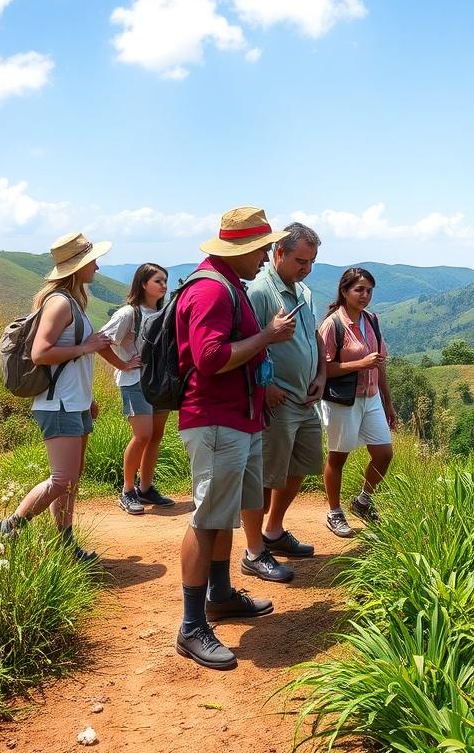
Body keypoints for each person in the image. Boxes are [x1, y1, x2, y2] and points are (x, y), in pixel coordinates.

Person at [175, 206, 298, 671]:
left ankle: (220, 596)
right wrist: (267, 336)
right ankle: (191, 626)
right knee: (207, 519)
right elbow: (209, 359)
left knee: (222, 515)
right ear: (241, 248)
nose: (265, 257)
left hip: (239, 418)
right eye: (261, 249)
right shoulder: (211, 289)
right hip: (216, 420)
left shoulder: (230, 284)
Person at [0, 232, 115, 561]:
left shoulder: (71, 302)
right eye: (92, 261)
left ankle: (65, 544)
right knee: (62, 479)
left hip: (72, 402)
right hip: (58, 405)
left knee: (70, 480)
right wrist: (87, 347)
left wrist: (87, 398)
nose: (97, 267)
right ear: (77, 266)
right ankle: (10, 526)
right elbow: (41, 353)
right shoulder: (59, 303)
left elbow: (70, 364)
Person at [246, 222, 326, 559]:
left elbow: (314, 336)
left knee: (301, 466)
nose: (306, 269)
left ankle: (273, 531)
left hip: (306, 398)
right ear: (279, 253)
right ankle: (254, 549)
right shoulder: (260, 292)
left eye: (311, 262)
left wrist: (321, 374)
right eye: (300, 261)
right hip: (277, 402)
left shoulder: (303, 291)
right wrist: (265, 387)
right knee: (267, 476)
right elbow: (247, 343)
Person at [317, 267, 397, 535]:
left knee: (384, 454)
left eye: (369, 291)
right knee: (338, 457)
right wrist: (360, 363)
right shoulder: (333, 325)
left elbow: (380, 364)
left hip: (371, 397)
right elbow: (324, 369)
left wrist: (388, 403)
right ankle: (334, 512)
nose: (365, 295)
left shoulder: (372, 320)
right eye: (359, 290)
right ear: (344, 291)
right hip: (343, 400)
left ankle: (363, 501)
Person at [100, 263, 176, 515]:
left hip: (160, 382)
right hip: (134, 381)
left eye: (165, 281)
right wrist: (123, 364)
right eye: (158, 281)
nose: (163, 285)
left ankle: (145, 488)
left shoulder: (163, 312)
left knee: (155, 436)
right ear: (143, 284)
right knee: (143, 435)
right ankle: (127, 490)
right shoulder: (128, 313)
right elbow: (102, 341)